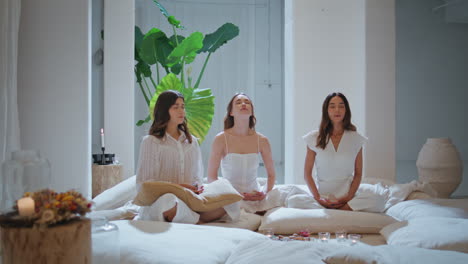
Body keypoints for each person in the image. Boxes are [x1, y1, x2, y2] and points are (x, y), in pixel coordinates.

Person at [135, 90, 228, 224]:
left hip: (188, 200)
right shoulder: (151, 141)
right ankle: (198, 219)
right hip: (162, 201)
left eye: (182, 106)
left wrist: (197, 187)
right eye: (175, 107)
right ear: (164, 110)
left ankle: (189, 216)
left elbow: (197, 177)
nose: (181, 111)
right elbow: (143, 185)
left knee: (230, 202)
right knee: (168, 202)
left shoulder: (192, 142)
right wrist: (177, 187)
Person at [207, 93, 280, 213]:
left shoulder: (262, 140)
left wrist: (264, 193)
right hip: (230, 196)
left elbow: (271, 175)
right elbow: (211, 177)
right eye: (238, 102)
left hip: (255, 196)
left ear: (252, 112)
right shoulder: (221, 139)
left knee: (283, 196)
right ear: (231, 112)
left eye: (247, 102)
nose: (243, 104)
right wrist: (234, 195)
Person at [301, 92, 367, 211]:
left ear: (346, 110)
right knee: (293, 200)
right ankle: (332, 207)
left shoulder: (355, 138)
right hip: (323, 196)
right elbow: (307, 174)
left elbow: (358, 174)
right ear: (326, 110)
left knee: (378, 198)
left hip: (347, 195)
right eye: (332, 106)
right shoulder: (314, 137)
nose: (337, 110)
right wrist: (318, 198)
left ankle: (344, 208)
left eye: (341, 106)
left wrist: (348, 197)